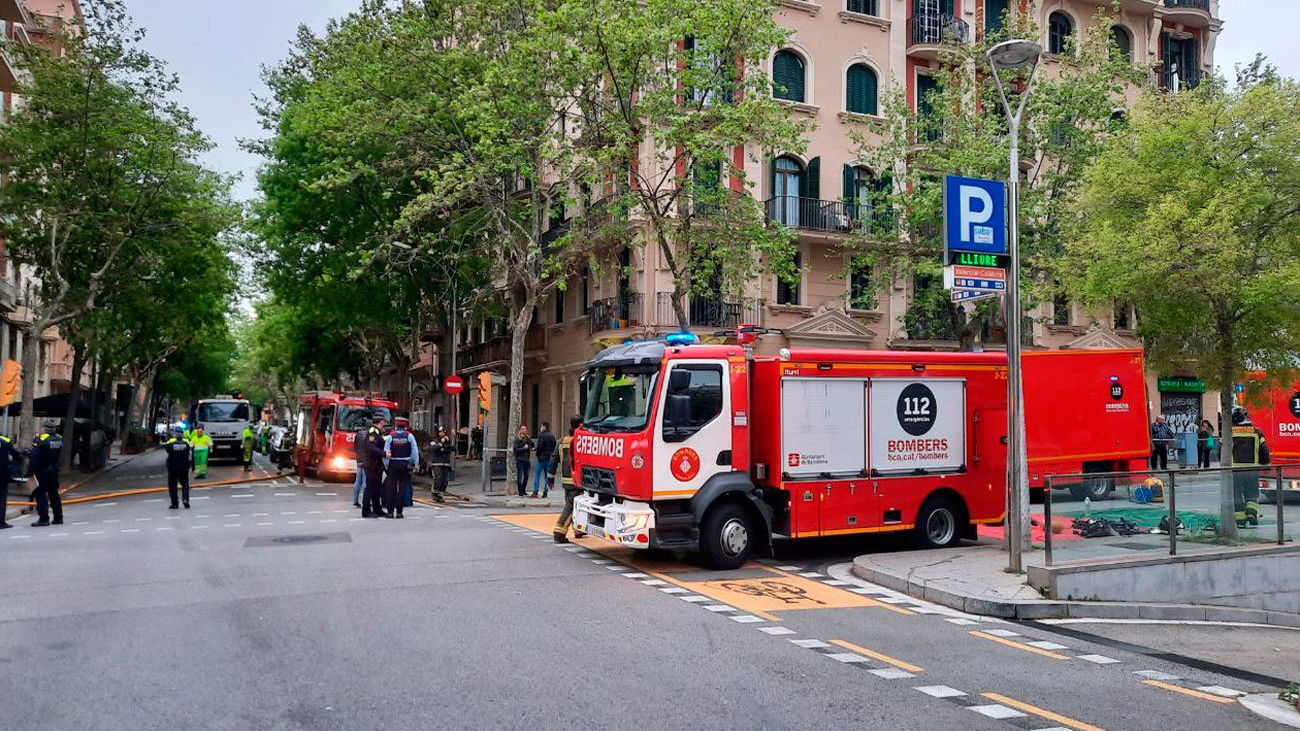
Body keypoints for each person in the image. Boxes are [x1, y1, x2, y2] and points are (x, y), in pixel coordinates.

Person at [1230, 406, 1270, 528]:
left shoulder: (1230, 432)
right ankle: (1252, 514)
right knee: (1252, 493)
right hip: (1252, 469)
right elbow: (1264, 449)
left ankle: (1240, 519)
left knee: (1236, 494)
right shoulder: (1256, 431)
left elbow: (1223, 450)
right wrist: (1265, 463)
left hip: (1235, 469)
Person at [552, 416, 586, 543]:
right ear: (580, 425)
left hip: (566, 480)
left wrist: (550, 476)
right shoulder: (579, 441)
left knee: (573, 504)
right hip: (576, 480)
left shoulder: (562, 440)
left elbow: (554, 458)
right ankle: (559, 532)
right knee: (571, 506)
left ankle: (578, 530)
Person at [28, 419, 64, 527]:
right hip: (54, 471)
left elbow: (34, 457)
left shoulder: (40, 440)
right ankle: (58, 517)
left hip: (42, 472)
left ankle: (44, 519)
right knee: (54, 494)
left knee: (41, 495)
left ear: (45, 429)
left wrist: (30, 472)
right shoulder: (59, 439)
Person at [382, 419, 418, 518]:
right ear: (405, 427)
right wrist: (414, 463)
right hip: (405, 464)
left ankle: (390, 512)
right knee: (402, 488)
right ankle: (399, 512)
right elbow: (415, 451)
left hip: (393, 463)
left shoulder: (390, 437)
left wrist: (387, 465)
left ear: (396, 427)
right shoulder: (410, 436)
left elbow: (386, 452)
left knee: (391, 488)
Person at [163, 425, 193, 509]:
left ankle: (175, 503)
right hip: (184, 466)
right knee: (185, 484)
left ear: (175, 434)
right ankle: (185, 499)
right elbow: (189, 451)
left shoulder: (170, 442)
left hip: (173, 467)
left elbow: (167, 450)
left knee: (173, 485)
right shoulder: (187, 442)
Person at [360, 422, 386, 518]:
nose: (385, 423)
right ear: (380, 421)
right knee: (370, 488)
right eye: (384, 421)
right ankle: (366, 511)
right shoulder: (373, 432)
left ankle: (377, 509)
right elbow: (370, 447)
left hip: (377, 464)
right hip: (371, 464)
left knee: (377, 488)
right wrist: (383, 453)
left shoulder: (379, 432)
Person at [428, 426, 453, 503]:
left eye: (443, 432)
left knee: (444, 481)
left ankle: (440, 495)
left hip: (445, 463)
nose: (442, 433)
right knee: (438, 479)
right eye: (440, 432)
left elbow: (453, 449)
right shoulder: (434, 441)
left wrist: (448, 443)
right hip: (437, 463)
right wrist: (441, 443)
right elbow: (433, 448)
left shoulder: (447, 441)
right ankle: (434, 494)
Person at [351, 418, 371, 508]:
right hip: (367, 460)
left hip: (359, 459)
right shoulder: (369, 435)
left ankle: (355, 500)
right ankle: (365, 501)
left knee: (358, 480)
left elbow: (355, 447)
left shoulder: (358, 434)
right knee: (365, 481)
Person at [532, 422, 556, 498]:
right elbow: (554, 446)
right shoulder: (552, 436)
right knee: (547, 476)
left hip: (541, 458)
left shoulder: (541, 435)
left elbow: (539, 447)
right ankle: (545, 492)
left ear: (544, 427)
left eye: (541, 426)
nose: (540, 428)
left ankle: (535, 491)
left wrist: (537, 454)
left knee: (537, 475)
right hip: (549, 458)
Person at [0, 431, 18, 529]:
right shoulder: (5, 441)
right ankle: (1, 522)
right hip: (2, 474)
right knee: (2, 499)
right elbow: (16, 455)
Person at [512, 425, 534, 498]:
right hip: (520, 460)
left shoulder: (527, 438)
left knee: (526, 475)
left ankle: (524, 490)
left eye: (525, 429)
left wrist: (531, 448)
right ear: (520, 430)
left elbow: (532, 445)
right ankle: (520, 491)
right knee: (520, 476)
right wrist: (523, 448)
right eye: (523, 429)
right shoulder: (517, 440)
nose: (524, 430)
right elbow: (515, 450)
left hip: (527, 459)